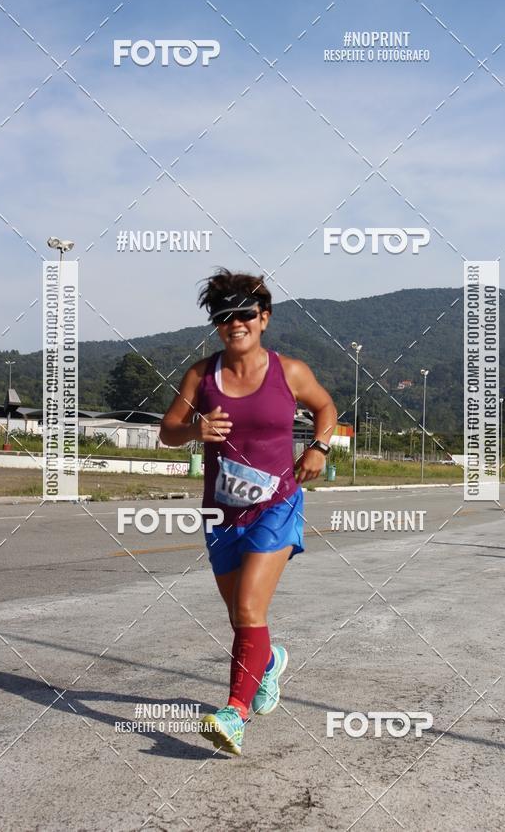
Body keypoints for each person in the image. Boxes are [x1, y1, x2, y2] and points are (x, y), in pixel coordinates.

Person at [160, 268, 337, 755]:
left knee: (247, 608)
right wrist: (195, 431)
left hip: (276, 507)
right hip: (221, 514)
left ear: (264, 318)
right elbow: (167, 430)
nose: (234, 323)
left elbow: (326, 407)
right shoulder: (201, 375)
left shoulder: (290, 371)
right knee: (243, 622)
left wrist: (318, 448)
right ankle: (270, 661)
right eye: (224, 316)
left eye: (244, 314)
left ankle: (233, 714)